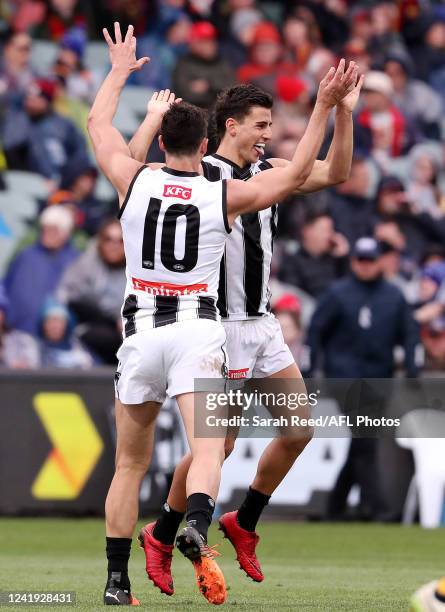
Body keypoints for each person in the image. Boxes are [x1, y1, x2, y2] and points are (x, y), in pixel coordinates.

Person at [88, 22, 357, 606]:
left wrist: (341, 113)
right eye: (261, 125)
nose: (268, 134)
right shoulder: (209, 182)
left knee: (298, 428)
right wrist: (324, 105)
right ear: (225, 129)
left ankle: (239, 523)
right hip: (214, 328)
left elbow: (334, 173)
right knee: (218, 447)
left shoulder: (255, 172)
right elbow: (132, 165)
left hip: (258, 323)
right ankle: (165, 534)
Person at [306, 237, 419, 520]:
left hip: (379, 378)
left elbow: (409, 332)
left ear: (380, 260)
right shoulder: (338, 293)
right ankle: (377, 508)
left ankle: (335, 506)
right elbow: (315, 331)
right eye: (360, 260)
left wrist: (412, 367)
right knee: (365, 439)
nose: (365, 266)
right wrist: (311, 368)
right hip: (344, 379)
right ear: (353, 261)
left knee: (362, 441)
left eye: (370, 260)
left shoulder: (394, 295)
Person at [56, 218, 126, 364]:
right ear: (100, 242)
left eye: (120, 240)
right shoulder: (85, 265)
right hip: (87, 329)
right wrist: (114, 318)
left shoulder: (138, 271)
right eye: (109, 239)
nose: (114, 245)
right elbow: (69, 297)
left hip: (128, 335)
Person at [3, 205, 78, 337]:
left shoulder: (74, 261)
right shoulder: (27, 254)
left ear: (65, 234)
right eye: (45, 228)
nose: (47, 233)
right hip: (12, 328)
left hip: (50, 336)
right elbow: (5, 284)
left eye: (54, 229)